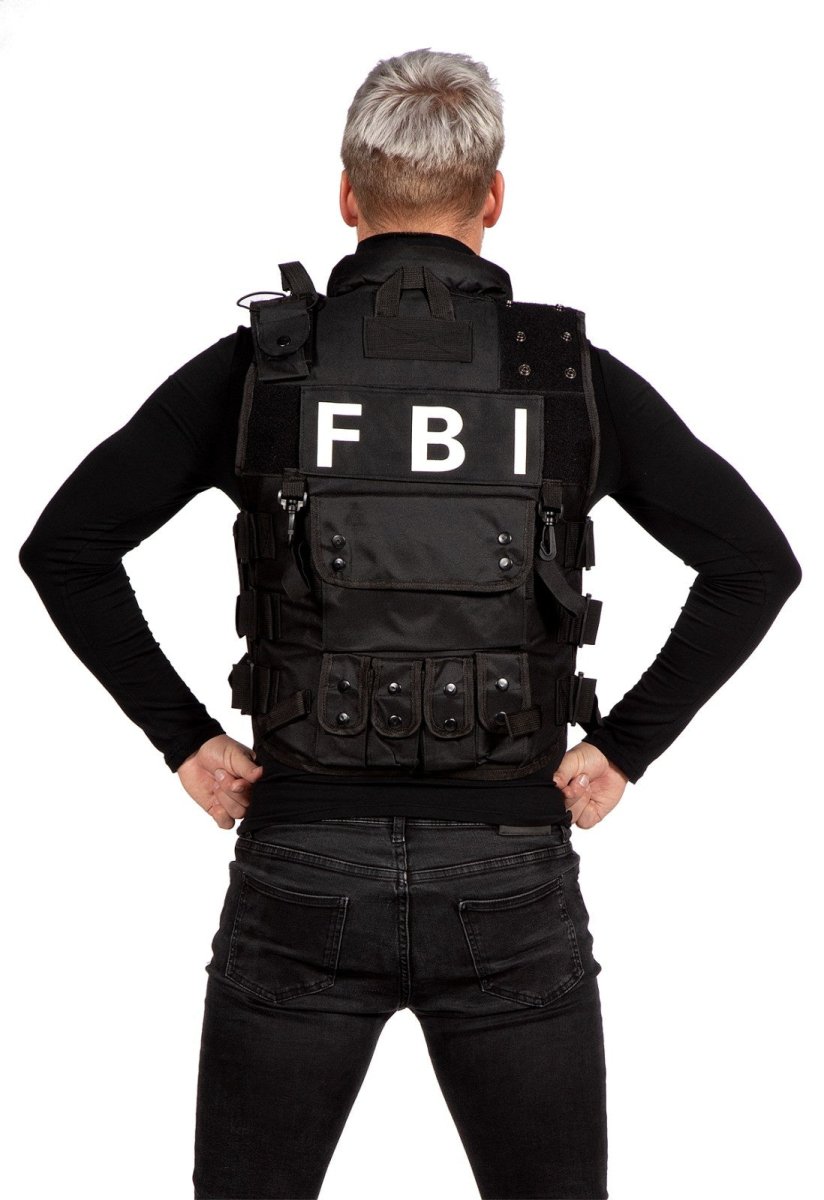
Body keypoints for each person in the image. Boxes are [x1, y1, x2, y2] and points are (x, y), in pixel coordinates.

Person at [18, 48, 801, 1200]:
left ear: (348, 195)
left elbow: (67, 547)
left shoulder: (266, 369)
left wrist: (182, 739)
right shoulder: (563, 377)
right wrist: (622, 749)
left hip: (301, 861)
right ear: (493, 198)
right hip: (508, 868)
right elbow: (752, 564)